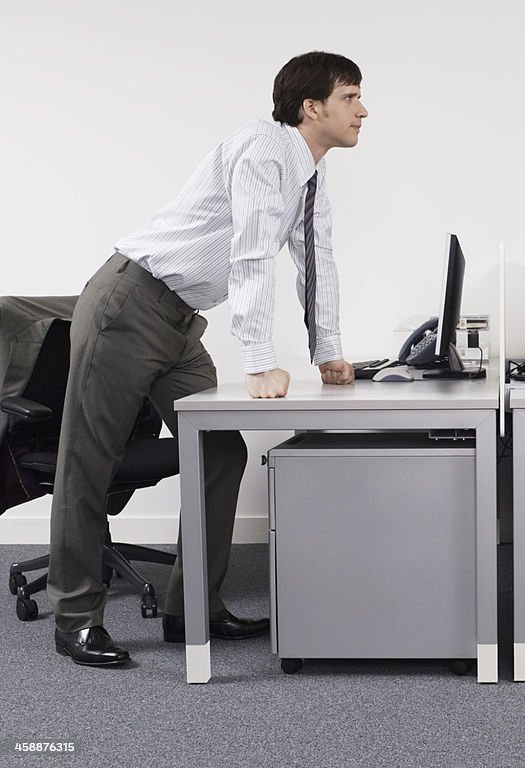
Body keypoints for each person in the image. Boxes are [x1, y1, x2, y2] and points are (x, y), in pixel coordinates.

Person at [47, 51, 367, 666]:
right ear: (312, 107)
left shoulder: (309, 174)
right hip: (129, 304)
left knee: (220, 450)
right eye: (351, 96)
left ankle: (191, 607)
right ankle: (76, 618)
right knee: (88, 461)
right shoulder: (260, 150)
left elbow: (316, 261)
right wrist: (257, 359)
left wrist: (328, 352)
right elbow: (250, 255)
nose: (363, 109)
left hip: (178, 322)